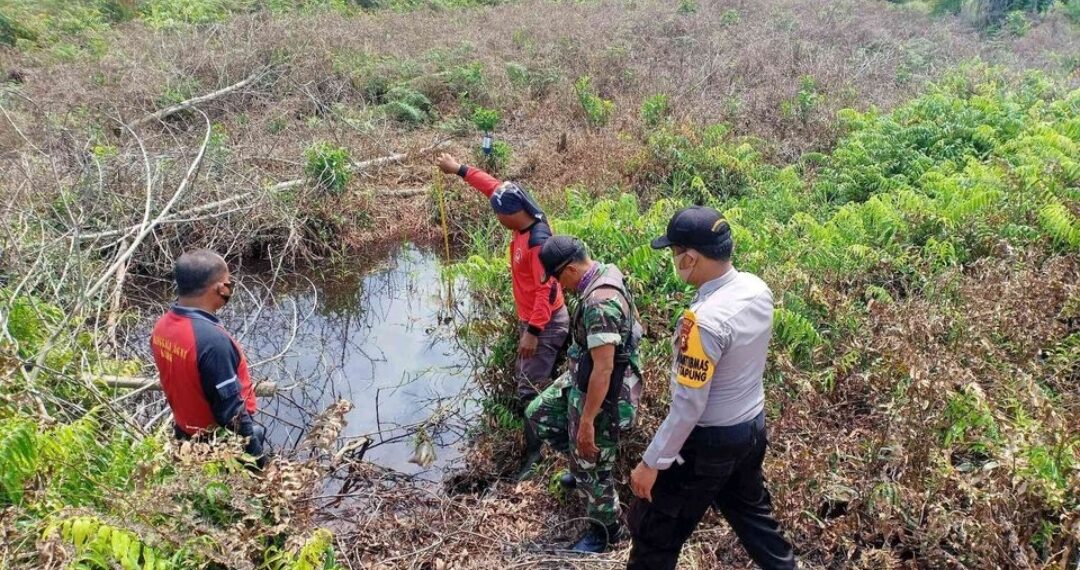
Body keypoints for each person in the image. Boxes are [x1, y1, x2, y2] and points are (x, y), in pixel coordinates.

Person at [626, 206, 795, 569]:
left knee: (655, 532)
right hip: (751, 429)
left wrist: (651, 462)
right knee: (754, 519)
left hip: (708, 444)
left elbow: (688, 407)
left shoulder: (704, 322)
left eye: (674, 254)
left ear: (690, 257)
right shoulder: (756, 288)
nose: (674, 261)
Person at [436, 153, 569, 479]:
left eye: (499, 215)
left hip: (547, 324)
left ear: (513, 213)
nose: (496, 218)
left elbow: (547, 289)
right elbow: (493, 188)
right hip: (536, 321)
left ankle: (543, 451)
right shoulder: (522, 215)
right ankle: (546, 435)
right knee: (528, 380)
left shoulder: (538, 243)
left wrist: (533, 331)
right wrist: (459, 170)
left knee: (530, 389)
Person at [529, 235, 643, 553]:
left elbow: (604, 369)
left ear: (569, 270)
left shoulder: (599, 304)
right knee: (539, 413)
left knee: (590, 460)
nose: (558, 286)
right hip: (583, 377)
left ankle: (607, 531)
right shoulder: (604, 271)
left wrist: (588, 421)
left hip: (606, 394)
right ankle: (585, 467)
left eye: (556, 278)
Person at [150, 249, 268, 469]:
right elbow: (232, 413)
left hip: (185, 436)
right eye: (227, 283)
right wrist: (258, 461)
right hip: (217, 447)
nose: (229, 288)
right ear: (218, 288)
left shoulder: (162, 326)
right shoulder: (211, 341)